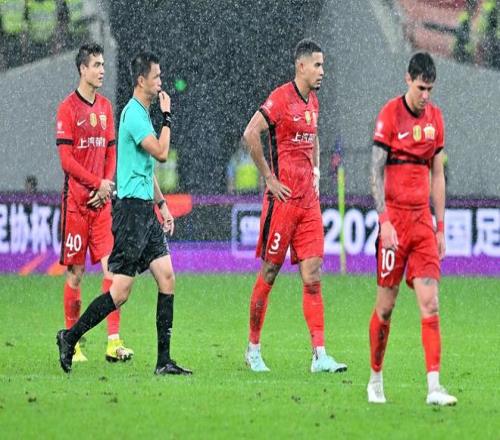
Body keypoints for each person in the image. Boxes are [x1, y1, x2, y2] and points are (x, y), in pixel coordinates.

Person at [56, 51, 192, 376]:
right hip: (131, 213)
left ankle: (163, 361)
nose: (161, 82)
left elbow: (146, 169)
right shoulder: (133, 114)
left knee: (167, 277)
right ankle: (69, 337)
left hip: (145, 212)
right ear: (142, 80)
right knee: (119, 292)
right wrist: (168, 118)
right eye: (156, 77)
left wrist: (161, 205)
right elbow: (161, 153)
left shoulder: (141, 114)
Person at [241, 39, 347, 373]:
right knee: (269, 272)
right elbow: (250, 133)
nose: (322, 71)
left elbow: (313, 137)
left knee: (313, 275)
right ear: (301, 66)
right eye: (317, 65)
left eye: (323, 65)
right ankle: (253, 349)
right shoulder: (280, 98)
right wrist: (269, 178)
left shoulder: (313, 100)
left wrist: (315, 172)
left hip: (308, 204)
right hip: (283, 201)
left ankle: (320, 355)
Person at [368, 52, 457, 406]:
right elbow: (375, 171)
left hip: (422, 224)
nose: (425, 96)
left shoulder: (436, 118)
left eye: (430, 89)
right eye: (421, 88)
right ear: (408, 79)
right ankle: (375, 379)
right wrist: (384, 221)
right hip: (395, 223)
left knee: (430, 303)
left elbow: (437, 174)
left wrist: (441, 226)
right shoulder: (390, 115)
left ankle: (434, 386)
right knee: (386, 307)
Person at [55, 43, 133, 364]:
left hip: (102, 206)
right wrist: (96, 183)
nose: (102, 70)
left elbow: (111, 151)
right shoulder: (67, 109)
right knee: (75, 275)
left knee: (113, 272)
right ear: (82, 69)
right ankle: (72, 342)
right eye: (96, 65)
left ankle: (113, 342)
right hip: (76, 204)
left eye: (103, 64)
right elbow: (67, 160)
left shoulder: (105, 107)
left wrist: (106, 184)